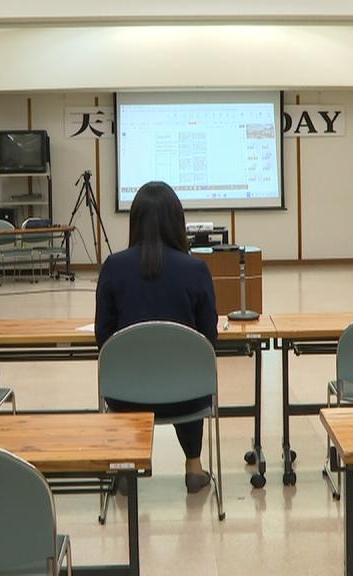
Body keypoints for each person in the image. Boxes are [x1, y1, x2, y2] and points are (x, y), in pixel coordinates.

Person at [95, 181, 218, 493]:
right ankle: (194, 466)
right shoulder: (196, 270)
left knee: (131, 370)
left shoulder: (113, 267)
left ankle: (126, 466)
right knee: (189, 367)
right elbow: (208, 341)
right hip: (186, 395)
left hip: (125, 394)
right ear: (178, 221)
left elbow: (103, 338)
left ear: (134, 221)